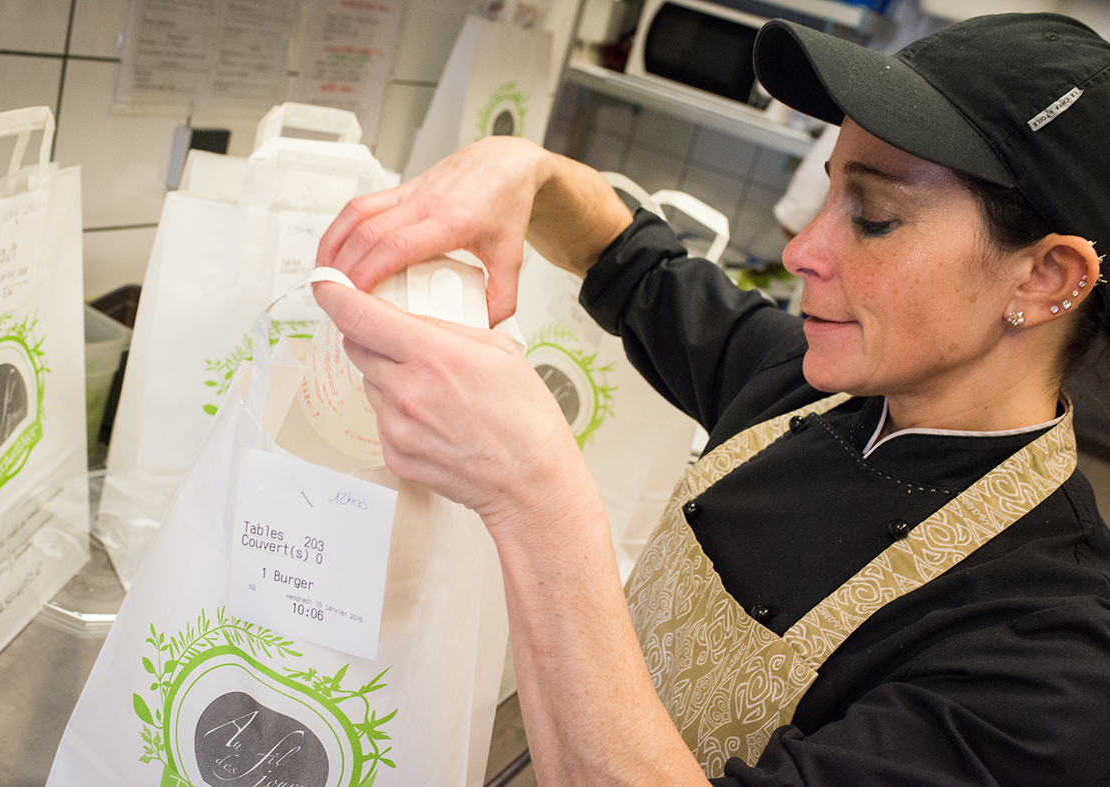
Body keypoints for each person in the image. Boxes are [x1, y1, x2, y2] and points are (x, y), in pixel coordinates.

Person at [312, 12, 1110, 785]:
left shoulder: (1048, 663)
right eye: (829, 195)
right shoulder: (801, 386)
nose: (801, 250)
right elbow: (628, 258)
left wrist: (534, 497)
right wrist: (524, 169)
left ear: (1046, 278)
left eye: (872, 217)